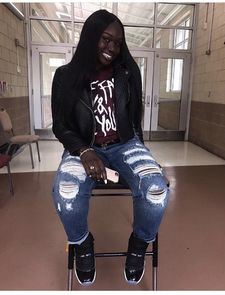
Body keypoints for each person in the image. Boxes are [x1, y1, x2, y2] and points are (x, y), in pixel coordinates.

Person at [51, 9, 169, 286]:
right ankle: (82, 244)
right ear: (91, 36)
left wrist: (143, 156)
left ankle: (139, 244)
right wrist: (83, 151)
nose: (112, 48)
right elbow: (60, 125)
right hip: (82, 146)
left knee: (156, 191)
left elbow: (135, 118)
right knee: (66, 195)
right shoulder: (65, 75)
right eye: (105, 39)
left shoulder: (128, 73)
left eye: (117, 42)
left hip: (125, 145)